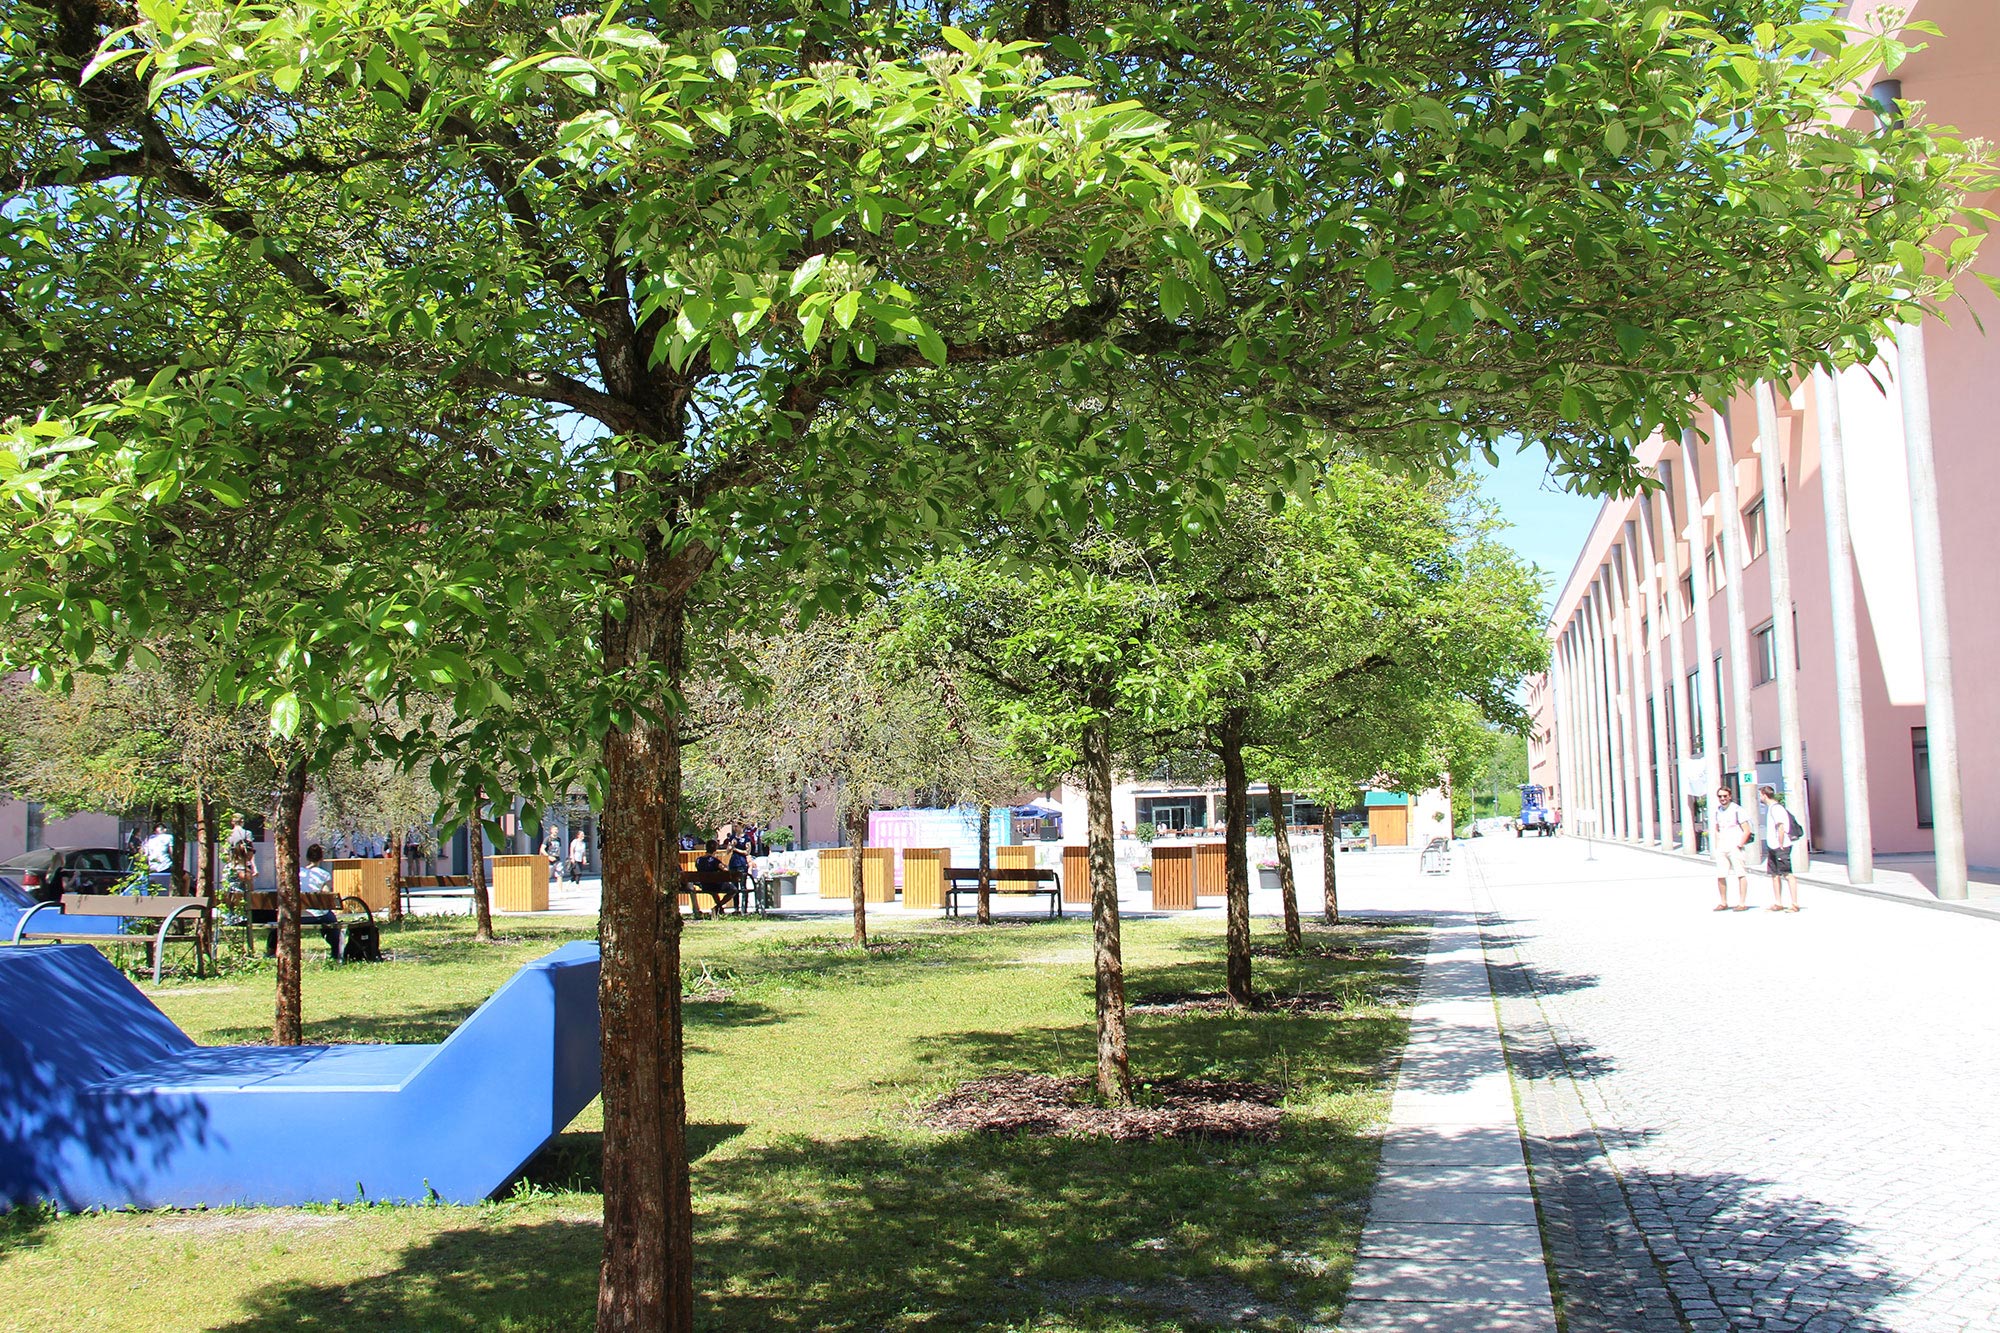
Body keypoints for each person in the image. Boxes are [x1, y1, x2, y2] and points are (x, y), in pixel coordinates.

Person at [1758, 784, 1802, 912]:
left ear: (1765, 795)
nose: (1760, 798)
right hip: (1773, 846)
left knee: (1787, 874)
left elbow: (1781, 826)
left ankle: (1794, 904)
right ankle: (1778, 903)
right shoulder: (1772, 808)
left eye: (1760, 795)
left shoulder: (1776, 808)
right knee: (1774, 874)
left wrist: (1781, 843)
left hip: (1780, 846)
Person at [1710, 785, 1754, 911]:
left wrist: (1740, 844)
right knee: (1721, 875)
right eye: (1720, 796)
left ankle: (1742, 903)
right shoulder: (1717, 811)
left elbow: (1747, 830)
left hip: (1735, 846)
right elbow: (1717, 828)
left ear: (1730, 796)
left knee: (1740, 873)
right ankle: (1723, 902)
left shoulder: (1737, 810)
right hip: (1722, 847)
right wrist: (1717, 845)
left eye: (1725, 796)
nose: (1722, 798)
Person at [139, 824, 175, 888]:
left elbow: (143, 853)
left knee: (154, 884)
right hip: (165, 865)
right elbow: (171, 852)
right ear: (164, 830)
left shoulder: (149, 838)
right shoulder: (169, 837)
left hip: (152, 866)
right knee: (185, 877)